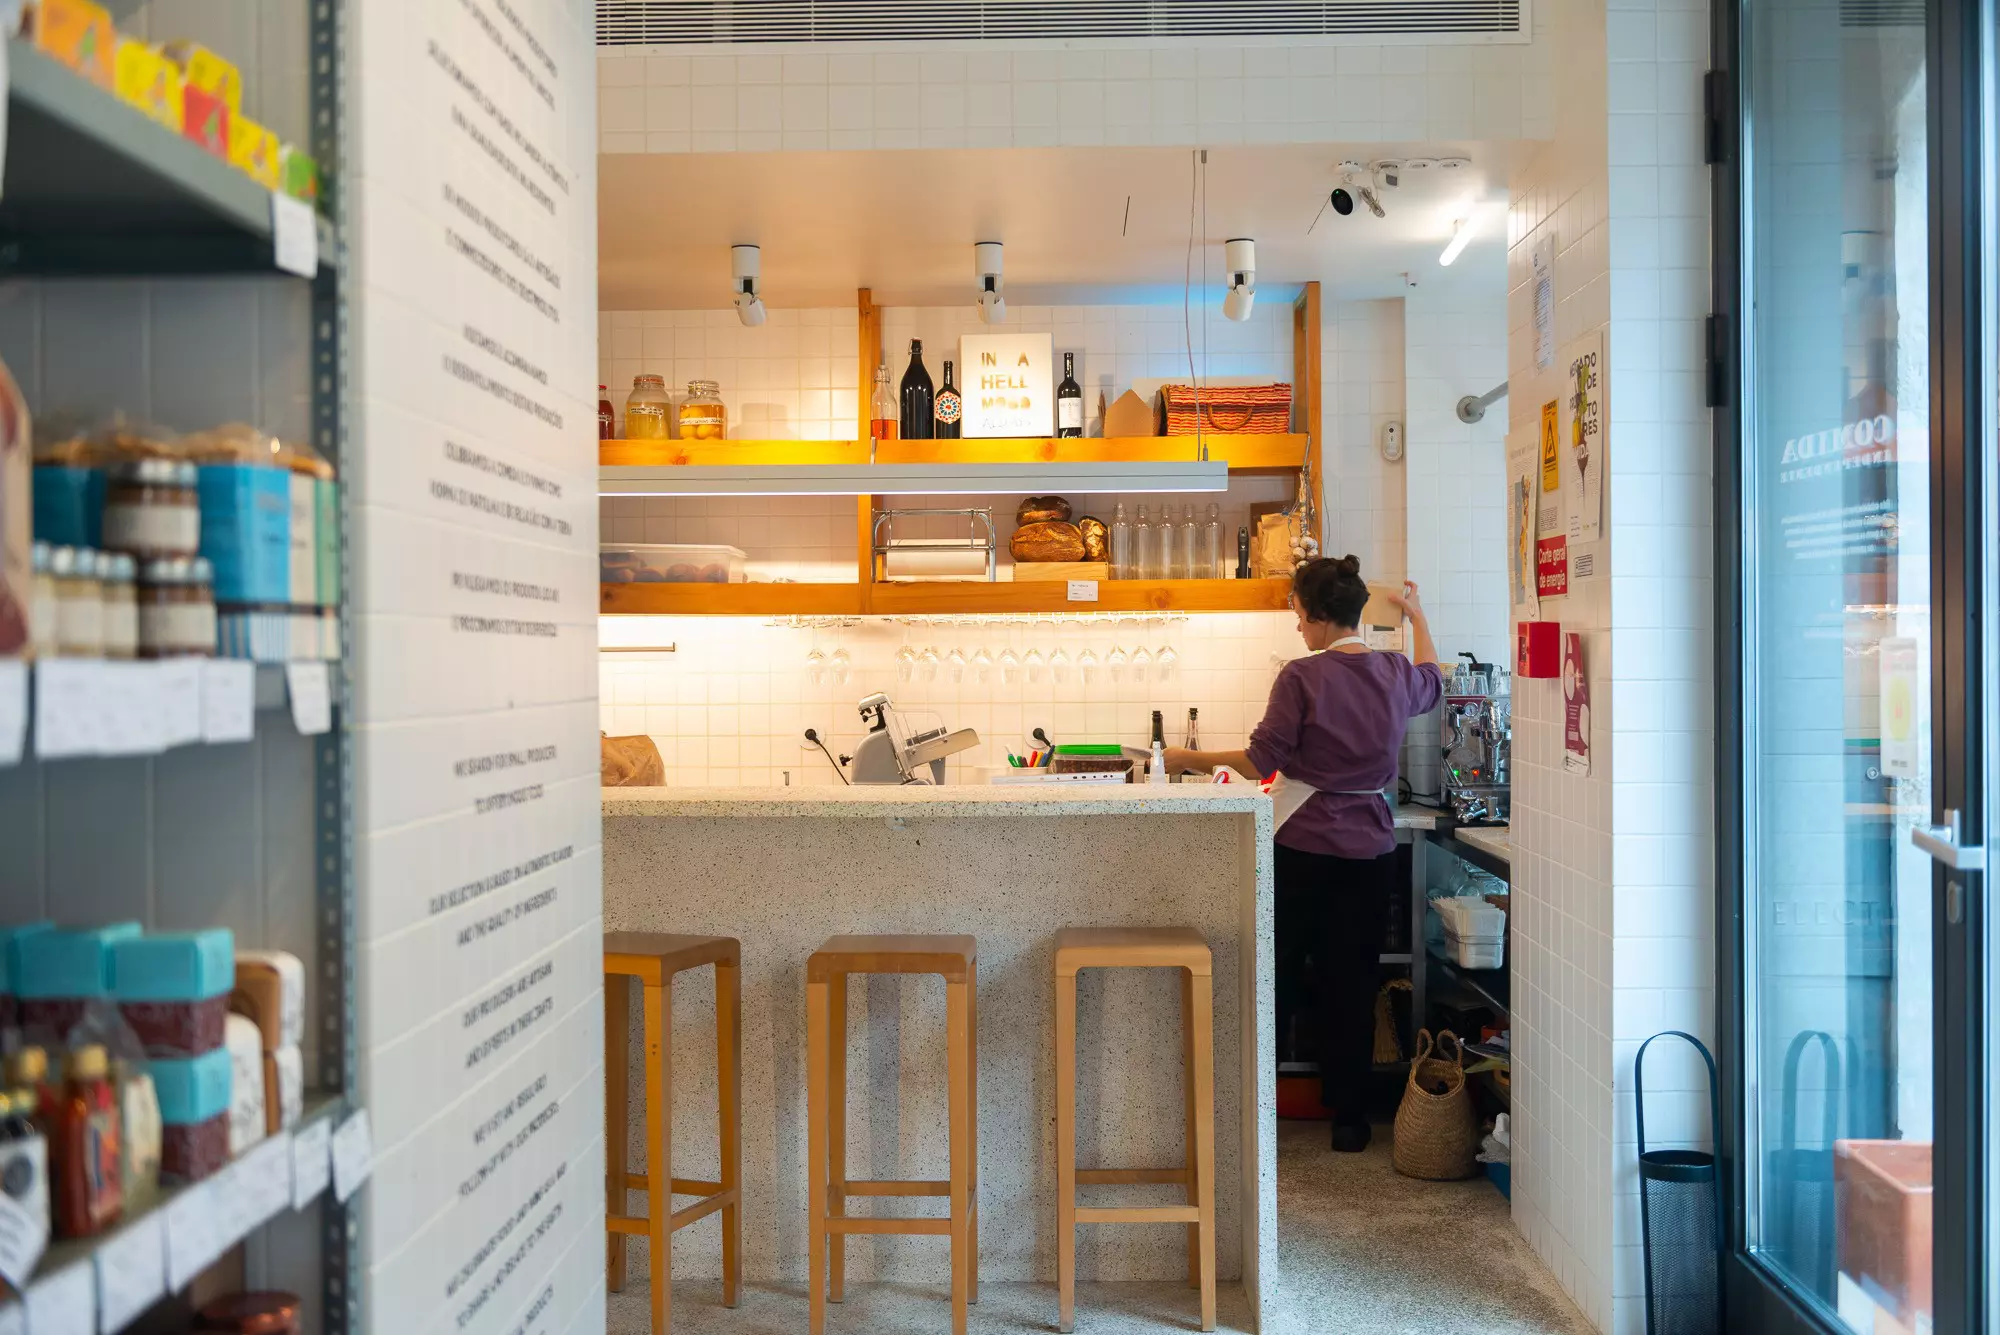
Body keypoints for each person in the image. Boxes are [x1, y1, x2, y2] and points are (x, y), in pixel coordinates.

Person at [1165, 555, 1440, 1151]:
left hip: (1301, 849)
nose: (1296, 626)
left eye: (1297, 613)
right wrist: (1417, 615)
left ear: (1317, 616)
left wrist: (1183, 759)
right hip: (1370, 853)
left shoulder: (1300, 677)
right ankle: (1350, 1120)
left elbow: (1259, 761)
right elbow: (1434, 677)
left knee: (1280, 976)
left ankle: (1256, 1114)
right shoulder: (1394, 672)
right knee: (1354, 983)